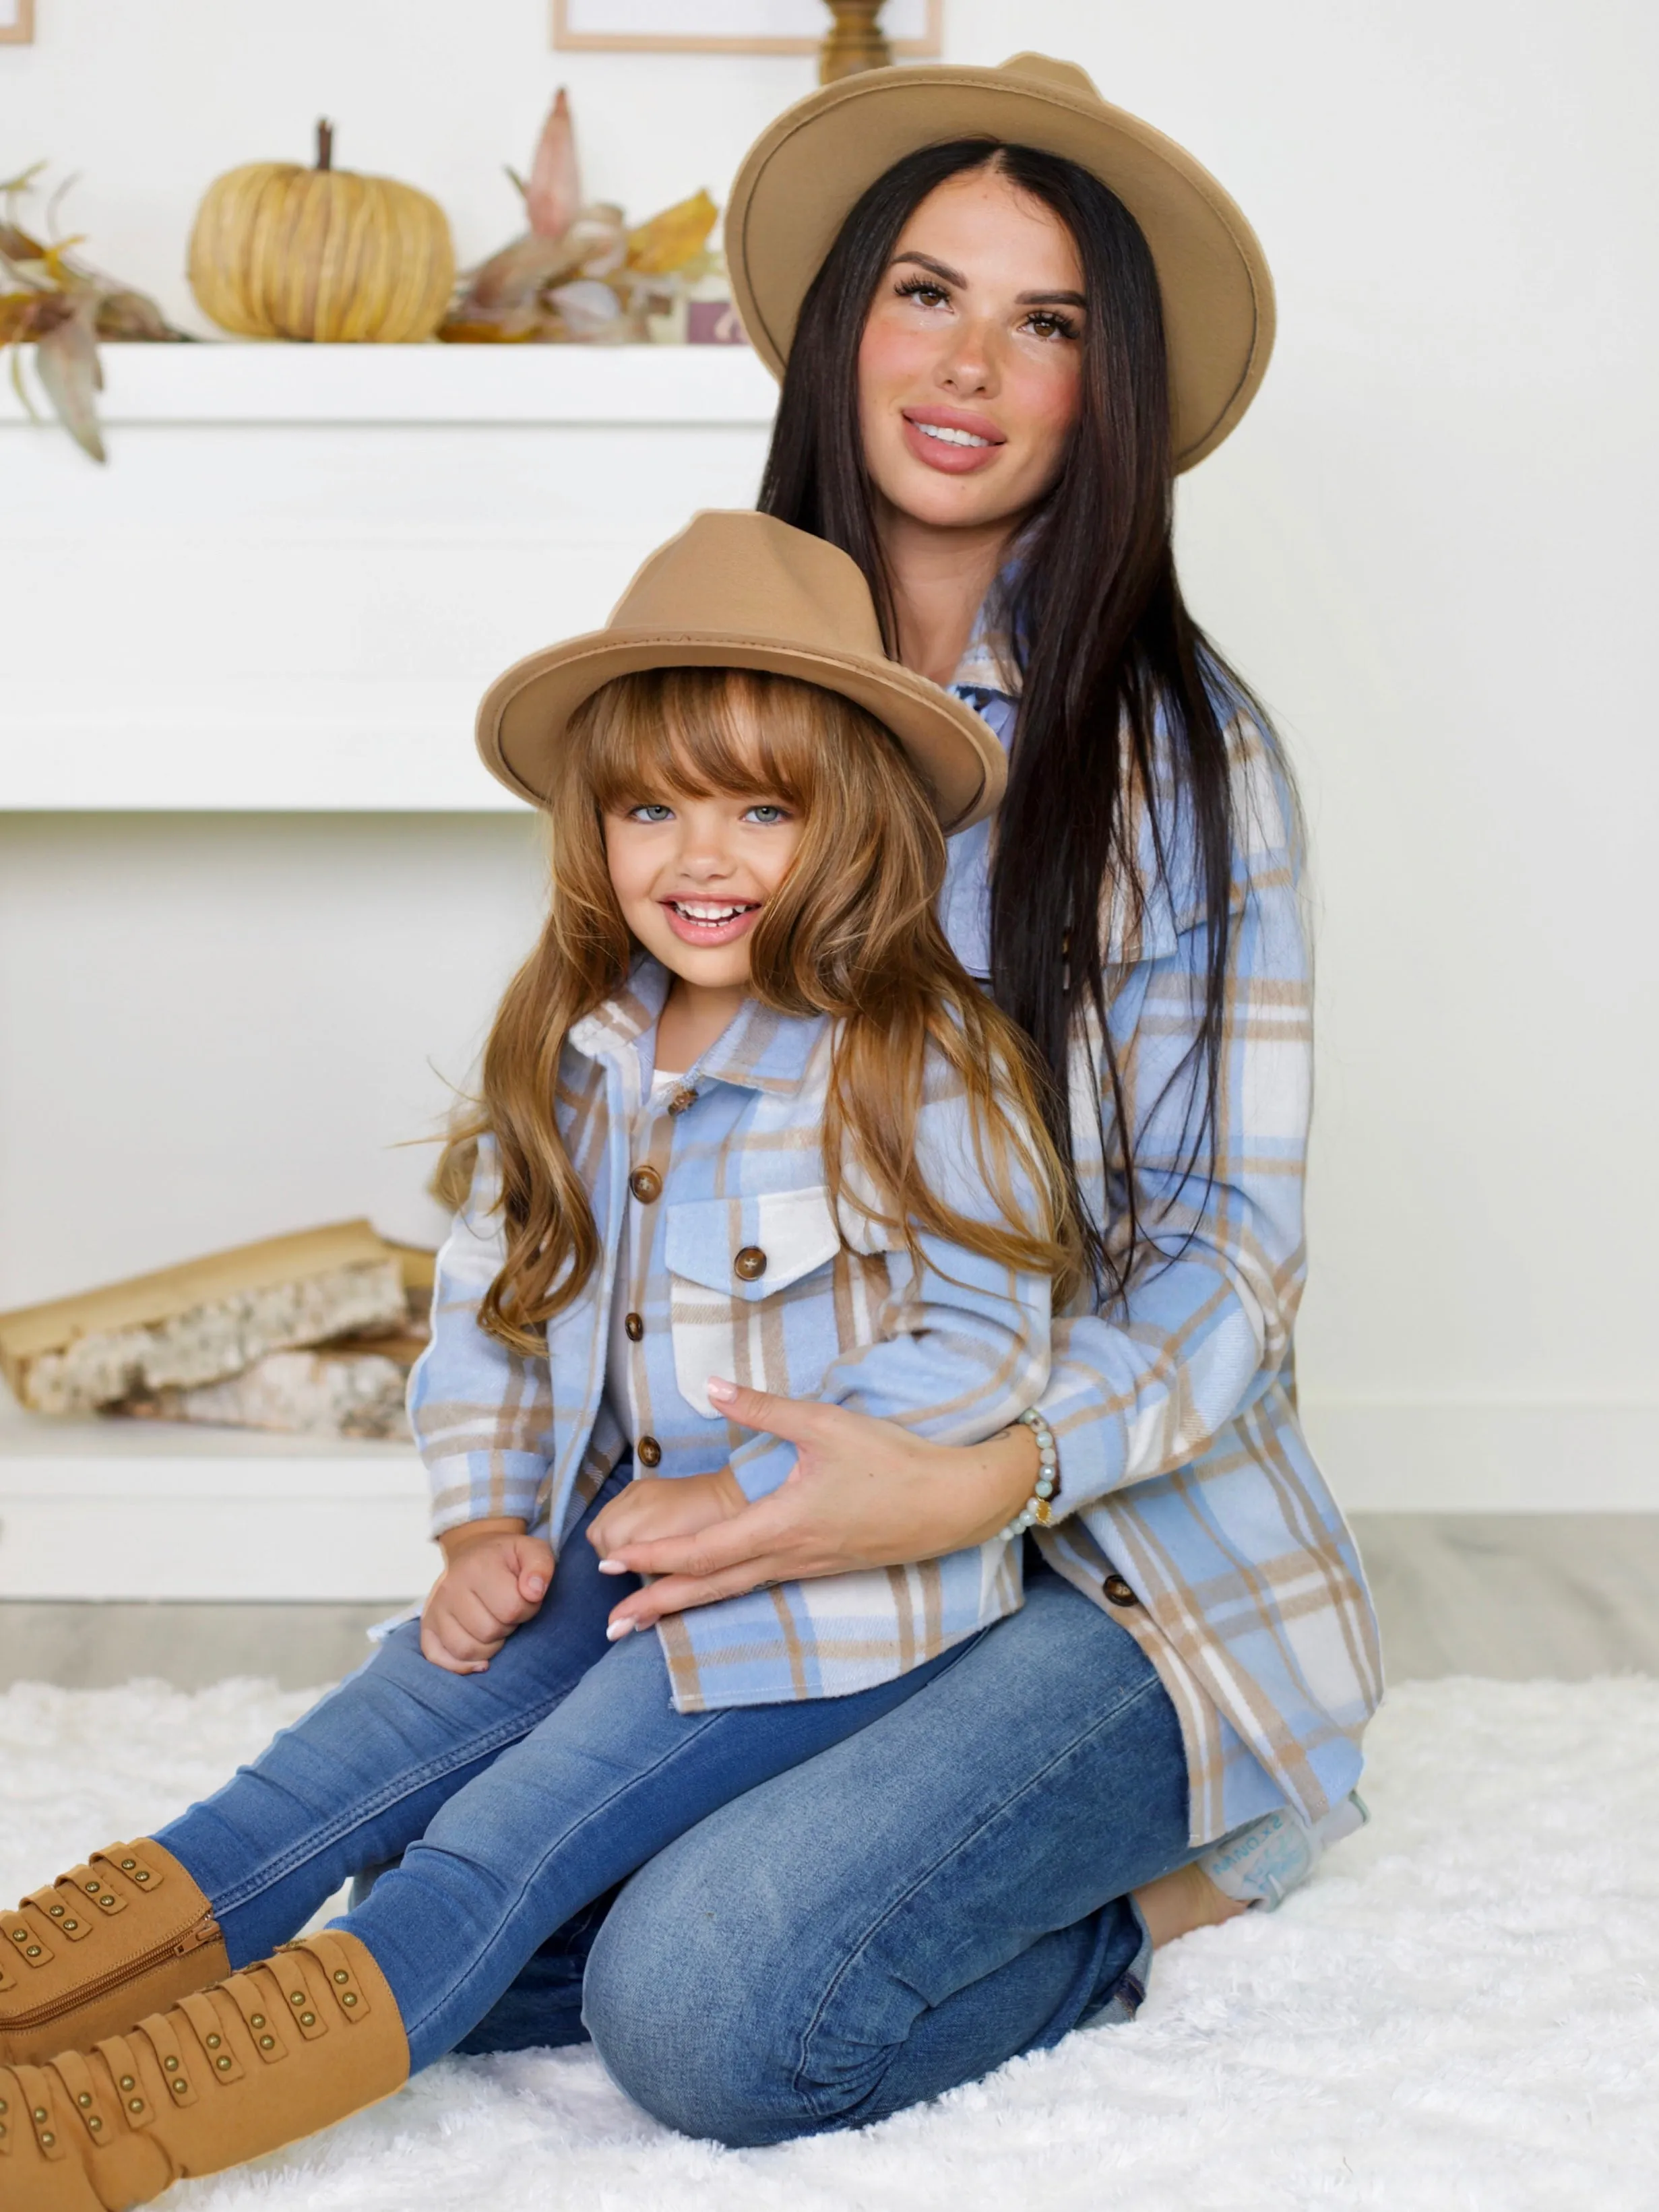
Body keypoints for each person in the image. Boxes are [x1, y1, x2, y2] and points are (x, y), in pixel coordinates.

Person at [460, 51, 1383, 2137]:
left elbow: (1234, 1246)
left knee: (699, 2007)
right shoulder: (704, 687)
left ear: (1103, 384)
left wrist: (986, 1474)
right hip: (784, 1526)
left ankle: (1164, 1888)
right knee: (447, 1910)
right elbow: (621, 1135)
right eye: (923, 293)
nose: (969, 364)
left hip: (1100, 1564)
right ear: (839, 328)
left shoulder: (1178, 754)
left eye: (1043, 321)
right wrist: (519, 1523)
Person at [0, 509, 1098, 2205]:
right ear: (592, 828)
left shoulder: (915, 1057)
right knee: (333, 1774)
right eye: (650, 806)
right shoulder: (574, 1045)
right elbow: (501, 1308)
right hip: (606, 1546)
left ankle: (103, 2138)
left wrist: (768, 1491)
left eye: (760, 805)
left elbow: (981, 1333)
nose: (697, 852)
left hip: (809, 1602)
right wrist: (478, 1524)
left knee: (486, 1859)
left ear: (855, 823)